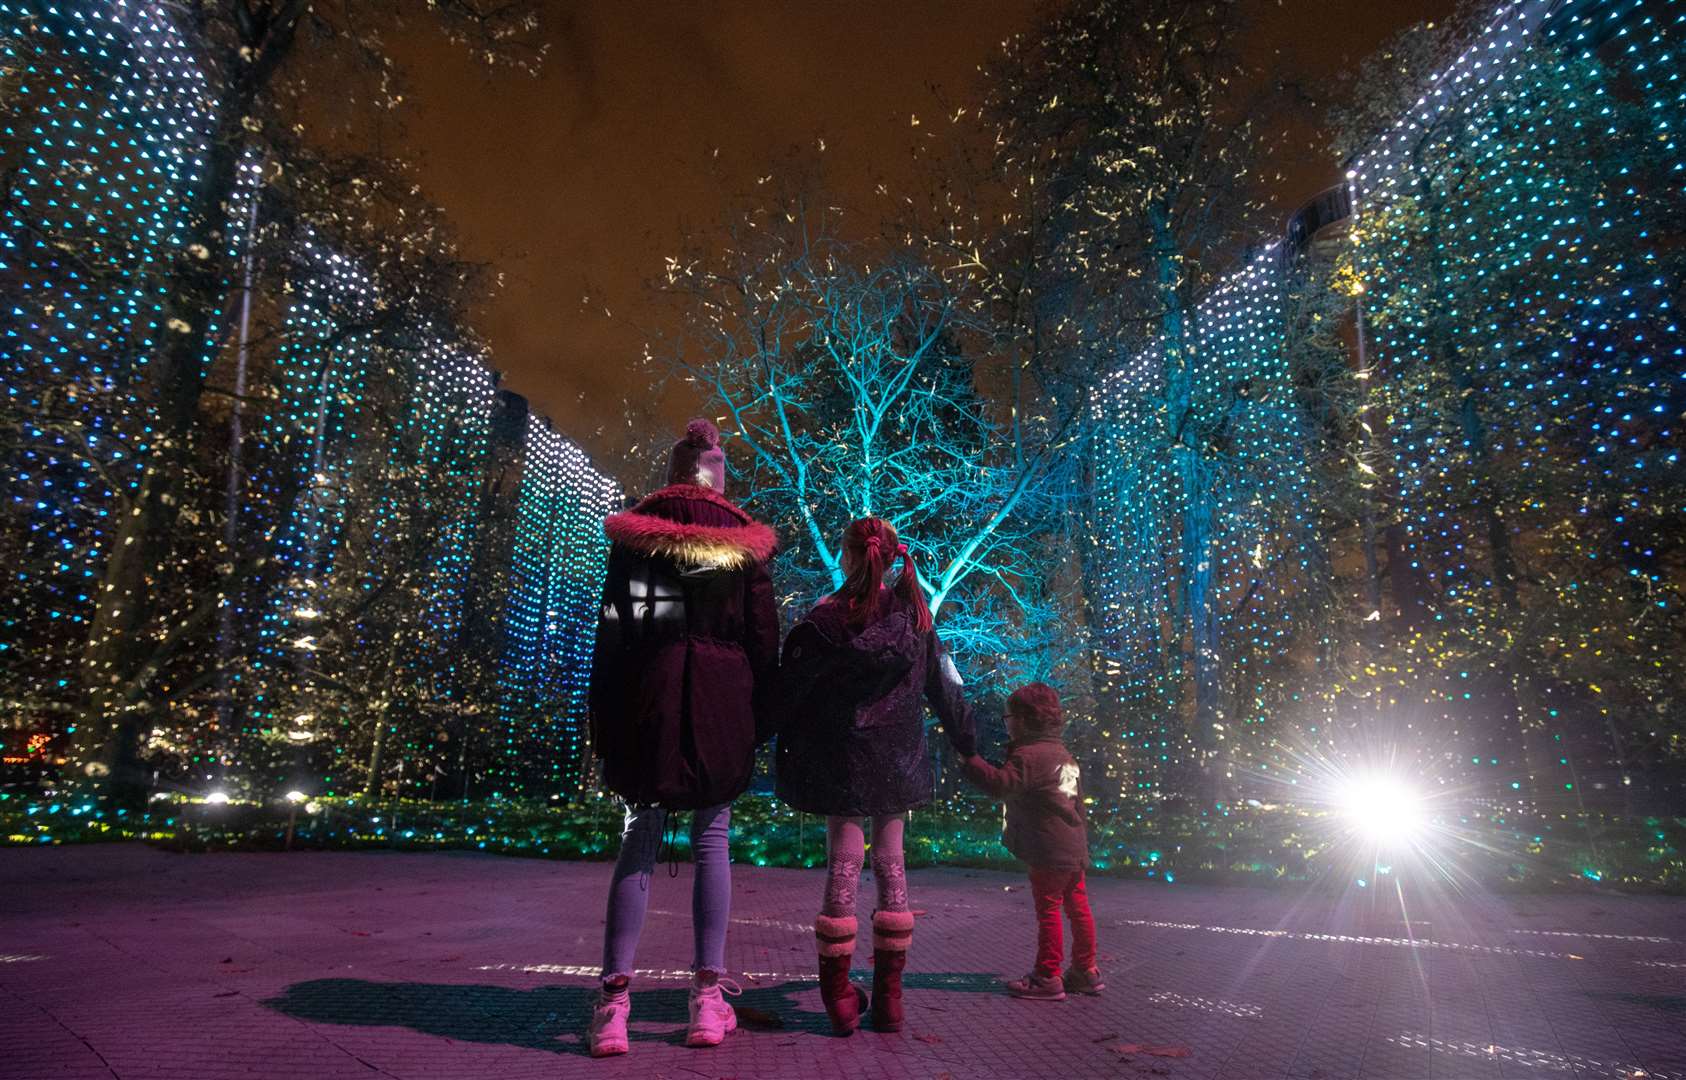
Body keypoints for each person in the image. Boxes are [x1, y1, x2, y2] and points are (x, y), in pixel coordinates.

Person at [584, 418, 780, 1057]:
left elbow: (620, 625)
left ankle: (613, 1005)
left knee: (639, 833)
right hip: (725, 699)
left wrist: (607, 712)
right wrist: (761, 714)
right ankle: (705, 998)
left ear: (673, 474)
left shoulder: (640, 538)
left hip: (652, 692)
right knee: (713, 837)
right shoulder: (745, 543)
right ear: (720, 477)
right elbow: (761, 638)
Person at [773, 516, 976, 1035]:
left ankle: (839, 998)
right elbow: (946, 686)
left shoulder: (823, 622)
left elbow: (786, 694)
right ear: (890, 558)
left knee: (843, 864)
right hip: (898, 760)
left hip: (841, 759)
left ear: (847, 556)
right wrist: (967, 744)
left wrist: (755, 735)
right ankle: (890, 1001)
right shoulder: (917, 621)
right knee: (892, 867)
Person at [959, 682, 1104, 1001]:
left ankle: (1047, 976)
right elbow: (1078, 804)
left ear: (1023, 719)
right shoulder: (1063, 753)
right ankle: (1086, 971)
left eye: (1007, 716)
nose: (1005, 722)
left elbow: (1001, 784)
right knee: (1078, 909)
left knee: (1049, 910)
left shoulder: (1029, 755)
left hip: (1047, 848)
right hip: (1071, 846)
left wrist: (970, 761)